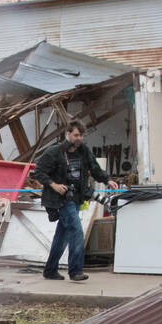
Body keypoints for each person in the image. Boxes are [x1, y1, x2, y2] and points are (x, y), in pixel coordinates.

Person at [35, 120, 118, 283]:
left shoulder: (84, 152)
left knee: (62, 236)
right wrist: (54, 185)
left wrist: (107, 179)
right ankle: (75, 271)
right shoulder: (54, 152)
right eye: (76, 135)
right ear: (68, 134)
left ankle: (50, 270)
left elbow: (95, 169)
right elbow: (39, 171)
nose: (79, 138)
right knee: (76, 231)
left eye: (81, 135)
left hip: (77, 197)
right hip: (61, 200)